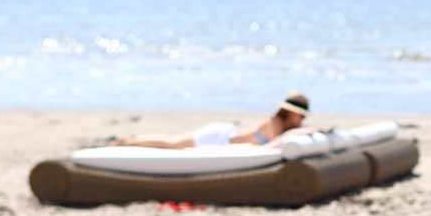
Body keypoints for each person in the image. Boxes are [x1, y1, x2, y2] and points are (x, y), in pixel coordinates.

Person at [116, 92, 310, 148]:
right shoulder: (273, 123)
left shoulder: (285, 128)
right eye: (300, 116)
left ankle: (133, 140)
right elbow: (275, 144)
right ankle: (131, 141)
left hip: (225, 135)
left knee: (175, 141)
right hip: (218, 138)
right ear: (290, 113)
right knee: (173, 143)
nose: (301, 120)